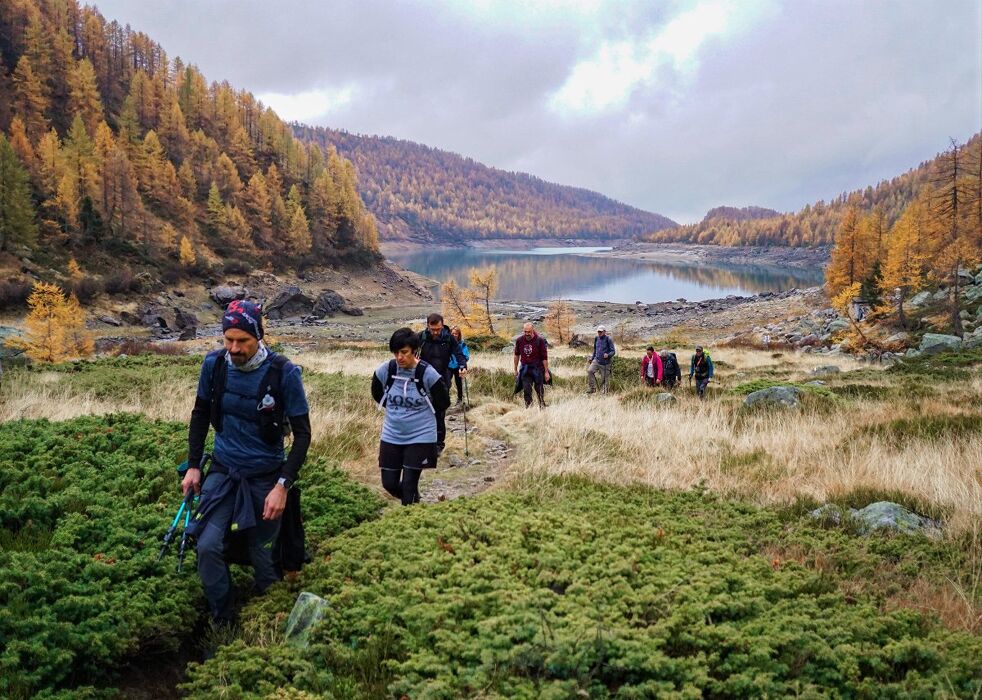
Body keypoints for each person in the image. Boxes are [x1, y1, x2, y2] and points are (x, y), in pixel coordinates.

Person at [183, 300, 311, 626]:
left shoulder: (284, 373)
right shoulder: (214, 365)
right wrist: (194, 465)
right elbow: (200, 414)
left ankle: (269, 624)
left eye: (243, 341)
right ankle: (223, 620)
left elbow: (303, 435)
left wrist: (282, 485)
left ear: (259, 337)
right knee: (207, 546)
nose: (235, 348)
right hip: (223, 472)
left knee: (264, 558)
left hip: (266, 476)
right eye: (229, 339)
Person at [371, 327, 450, 505]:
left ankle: (411, 512)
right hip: (391, 434)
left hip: (420, 436)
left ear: (414, 351)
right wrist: (396, 409)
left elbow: (443, 402)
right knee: (389, 484)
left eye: (404, 352)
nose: (399, 357)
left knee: (408, 485)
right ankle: (414, 501)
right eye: (396, 352)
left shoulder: (428, 374)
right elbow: (377, 393)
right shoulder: (386, 370)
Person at [418, 313, 467, 453]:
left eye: (438, 329)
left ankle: (438, 445)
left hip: (442, 379)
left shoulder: (448, 338)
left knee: (439, 412)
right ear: (428, 326)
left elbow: (459, 353)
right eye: (432, 329)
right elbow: (409, 351)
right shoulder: (421, 337)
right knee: (423, 412)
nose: (435, 332)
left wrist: (462, 366)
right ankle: (423, 442)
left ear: (442, 325)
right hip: (423, 380)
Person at [514, 322, 550, 408]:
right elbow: (516, 355)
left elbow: (544, 357)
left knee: (539, 390)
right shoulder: (519, 340)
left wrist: (546, 372)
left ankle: (542, 406)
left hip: (537, 368)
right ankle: (529, 409)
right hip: (525, 369)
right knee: (526, 390)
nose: (527, 333)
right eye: (525, 331)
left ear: (533, 330)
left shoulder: (540, 340)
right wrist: (515, 369)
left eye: (529, 332)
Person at [586, 325, 616, 394]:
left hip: (605, 363)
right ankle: (592, 388)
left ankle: (604, 393)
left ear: (604, 332)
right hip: (596, 360)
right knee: (590, 371)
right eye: (598, 331)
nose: (599, 333)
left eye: (601, 332)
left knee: (604, 379)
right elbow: (595, 349)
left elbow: (613, 351)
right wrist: (592, 358)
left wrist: (608, 355)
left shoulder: (608, 339)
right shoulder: (596, 338)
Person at [447, 326, 470, 406]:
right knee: (446, 383)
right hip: (449, 366)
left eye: (456, 333)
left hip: (459, 367)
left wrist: (462, 363)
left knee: (459, 383)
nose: (454, 335)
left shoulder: (462, 344)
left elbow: (466, 356)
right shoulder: (447, 343)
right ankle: (446, 399)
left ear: (459, 335)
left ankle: (460, 399)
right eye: (452, 333)